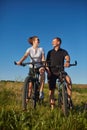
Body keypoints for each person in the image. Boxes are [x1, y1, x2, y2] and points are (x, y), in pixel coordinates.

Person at [16, 36, 45, 101]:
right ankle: (27, 99)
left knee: (42, 73)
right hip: (32, 66)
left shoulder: (41, 49)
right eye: (37, 40)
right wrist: (20, 62)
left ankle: (41, 91)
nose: (39, 41)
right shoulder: (29, 49)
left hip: (39, 66)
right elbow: (25, 56)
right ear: (33, 41)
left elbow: (43, 58)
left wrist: (43, 65)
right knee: (30, 85)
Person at [46, 37, 72, 110]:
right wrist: (48, 71)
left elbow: (67, 57)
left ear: (58, 42)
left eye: (54, 41)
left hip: (61, 71)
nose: (52, 43)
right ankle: (52, 108)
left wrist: (67, 62)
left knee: (68, 80)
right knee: (51, 89)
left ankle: (69, 100)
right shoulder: (50, 52)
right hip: (52, 72)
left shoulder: (63, 51)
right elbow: (46, 62)